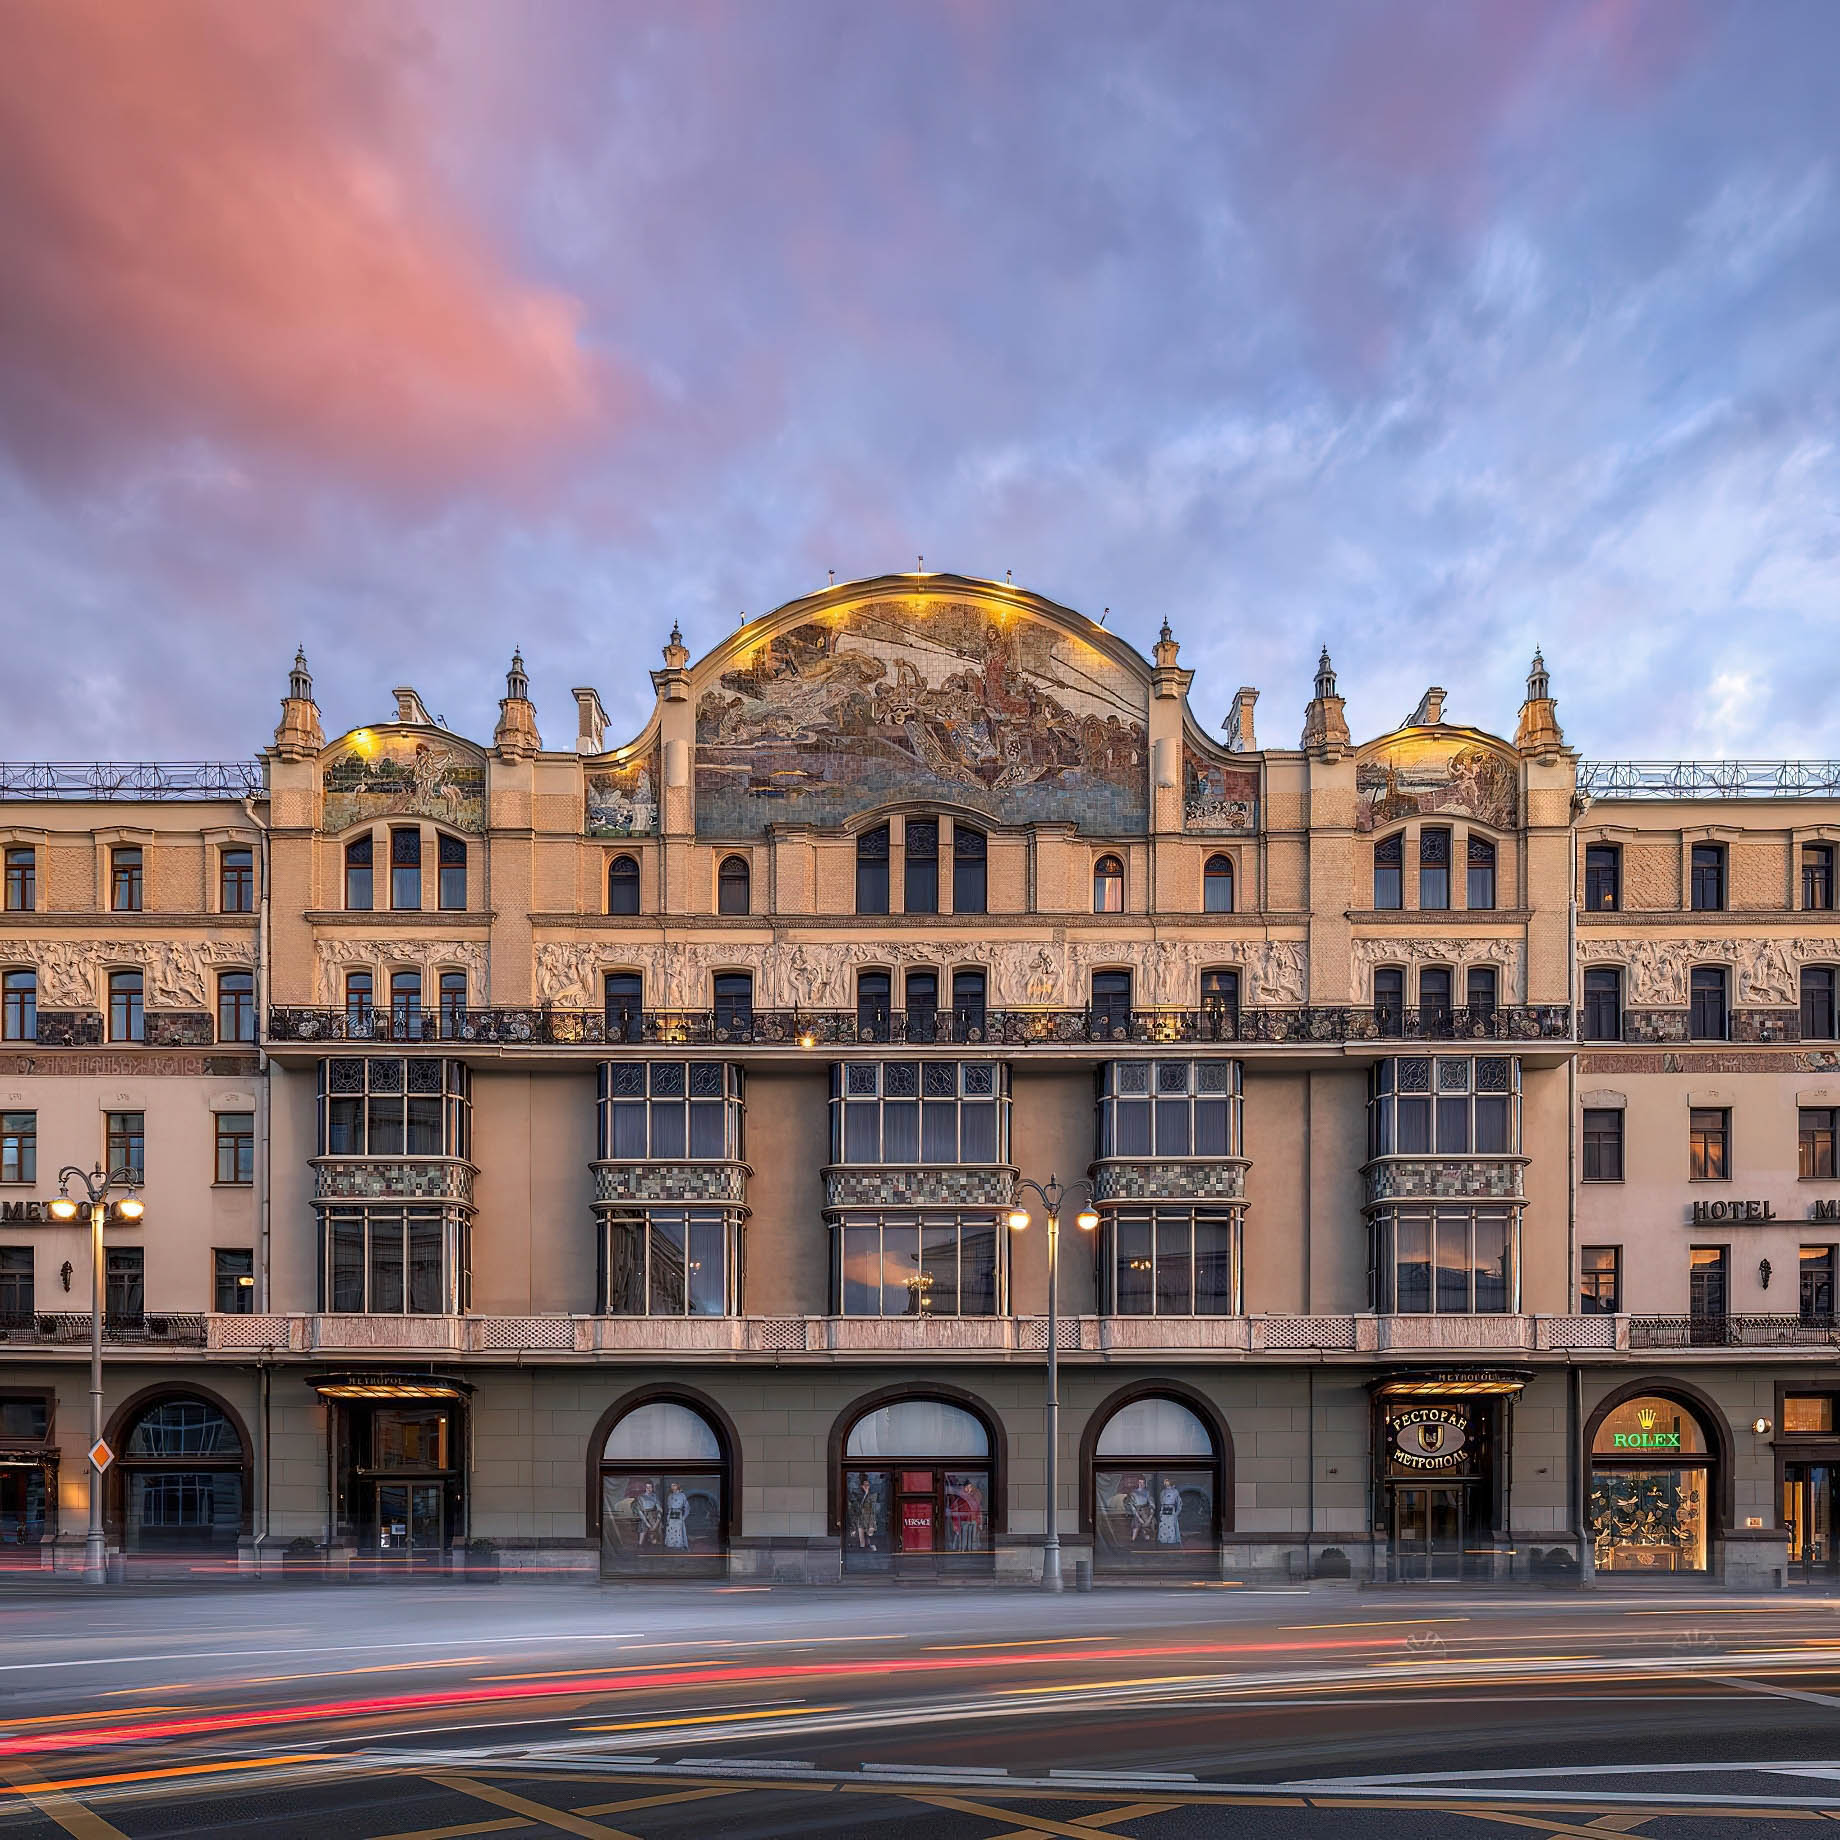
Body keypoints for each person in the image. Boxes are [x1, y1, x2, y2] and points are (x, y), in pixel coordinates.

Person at [663, 1482, 690, 1552]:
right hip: (671, 1514)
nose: (673, 1487)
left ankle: (679, 1545)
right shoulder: (670, 1496)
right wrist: (668, 1518)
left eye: (674, 1485)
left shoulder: (682, 1495)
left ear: (678, 1486)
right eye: (671, 1486)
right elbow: (669, 1507)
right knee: (670, 1529)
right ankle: (671, 1545)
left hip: (679, 1514)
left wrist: (684, 1517)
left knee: (679, 1530)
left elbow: (687, 1507)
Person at [1157, 1479, 1183, 1546]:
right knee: (1163, 1524)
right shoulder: (1163, 1492)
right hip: (1164, 1510)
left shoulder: (1175, 1491)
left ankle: (1171, 1540)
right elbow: (1161, 1501)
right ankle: (1163, 1539)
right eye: (1165, 1482)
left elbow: (1179, 1502)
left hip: (1171, 1509)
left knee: (1171, 1525)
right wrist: (1161, 1511)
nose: (1166, 1483)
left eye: (1167, 1482)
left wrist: (1177, 1512)